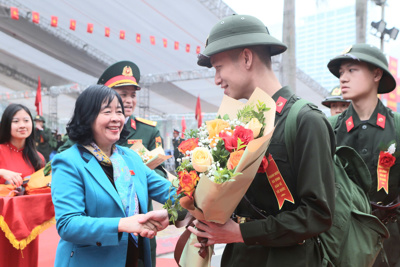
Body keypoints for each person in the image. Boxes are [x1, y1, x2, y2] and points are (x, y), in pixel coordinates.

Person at [188, 14, 336, 266]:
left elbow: (318, 214)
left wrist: (241, 232)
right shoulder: (240, 125)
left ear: (246, 58)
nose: (216, 79)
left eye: (219, 67)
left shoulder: (305, 120)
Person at [51, 85, 172, 267]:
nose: (116, 118)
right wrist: (122, 224)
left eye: (119, 112)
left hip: (135, 259)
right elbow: (68, 224)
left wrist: (205, 191)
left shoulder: (130, 157)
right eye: (107, 112)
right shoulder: (69, 162)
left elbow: (170, 192)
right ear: (87, 117)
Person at [327, 43, 399, 267]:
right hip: (341, 238)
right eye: (341, 73)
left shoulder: (396, 126)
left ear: (376, 74)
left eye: (351, 70)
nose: (343, 78)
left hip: (390, 240)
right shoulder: (329, 128)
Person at [0, 103, 45, 266]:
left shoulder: (38, 158)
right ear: (6, 124)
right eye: (16, 121)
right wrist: (1, 172)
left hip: (27, 224)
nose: (22, 125)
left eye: (26, 120)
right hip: (2, 224)